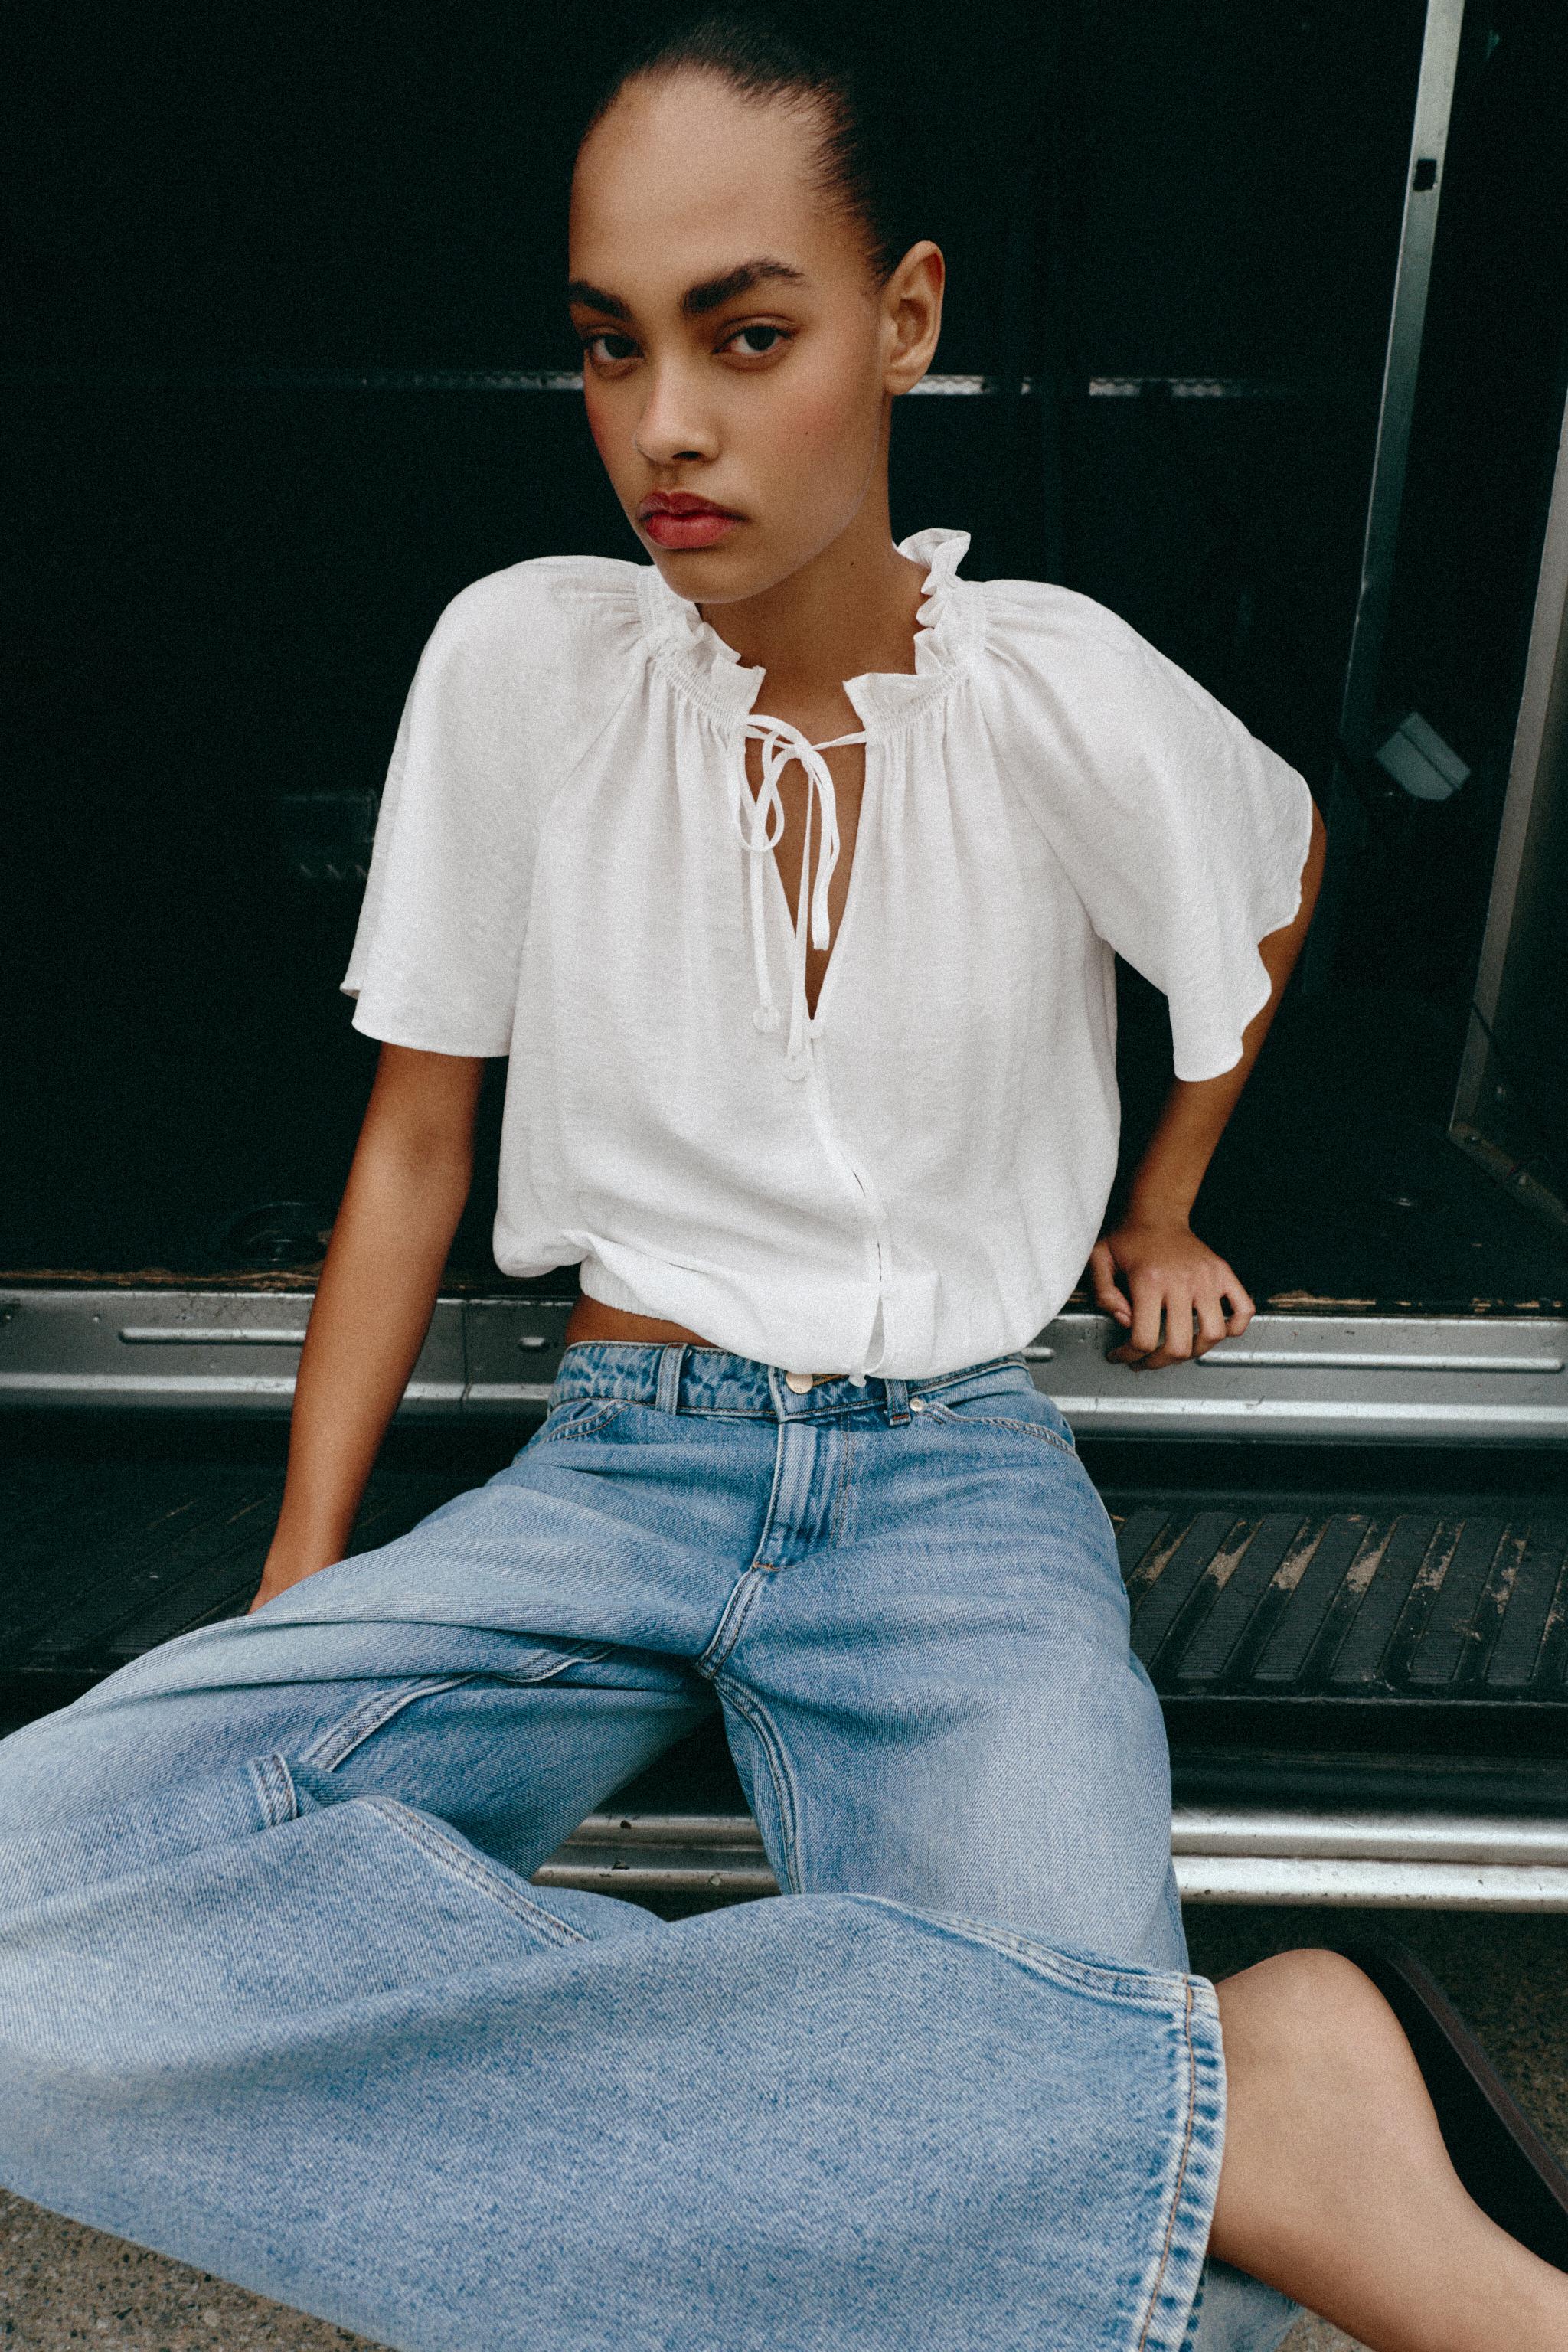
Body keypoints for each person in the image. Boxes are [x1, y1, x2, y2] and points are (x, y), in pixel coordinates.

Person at [2, 10, 1566, 2351]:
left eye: (746, 336)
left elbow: (1272, 870)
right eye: (608, 345)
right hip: (616, 1467)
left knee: (1048, 2252)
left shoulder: (1050, 684)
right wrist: (303, 1572)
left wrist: (1165, 1197)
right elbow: (413, 1138)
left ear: (906, 319)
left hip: (958, 1487)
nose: (666, 423)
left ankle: (1172, 2144)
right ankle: (1241, 2120)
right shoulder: (524, 664)